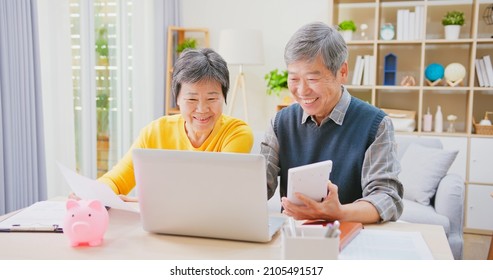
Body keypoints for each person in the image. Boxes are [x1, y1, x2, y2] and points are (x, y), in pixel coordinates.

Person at [261, 22, 403, 224]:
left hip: (353, 236)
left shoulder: (375, 124)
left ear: (342, 72)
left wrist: (339, 212)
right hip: (294, 237)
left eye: (312, 78)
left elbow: (386, 197)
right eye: (294, 79)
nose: (302, 91)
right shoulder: (279, 123)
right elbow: (259, 187)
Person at [98, 48, 254, 200]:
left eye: (212, 99)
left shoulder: (237, 133)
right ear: (177, 98)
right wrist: (93, 194)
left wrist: (145, 203)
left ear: (223, 98)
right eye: (192, 99)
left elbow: (215, 193)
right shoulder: (155, 132)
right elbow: (115, 181)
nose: (202, 109)